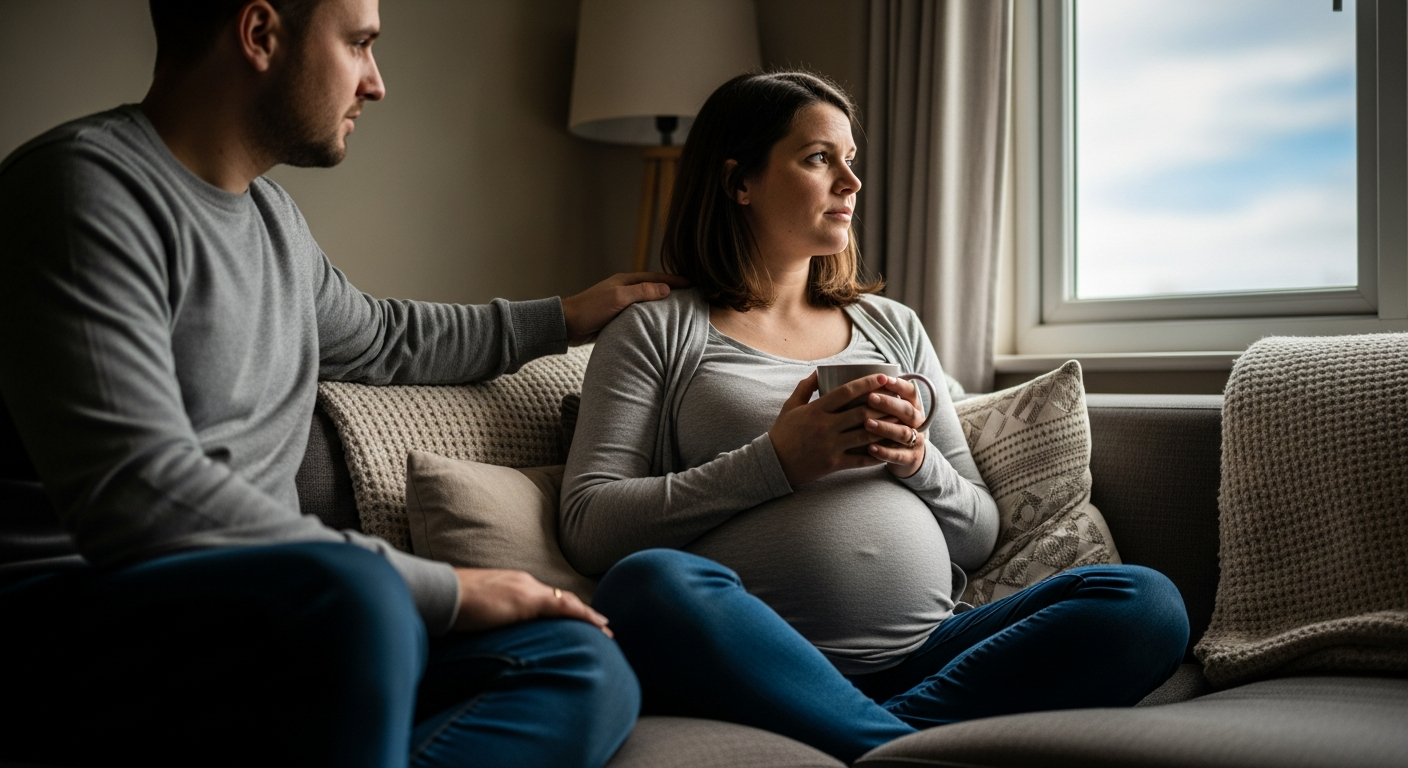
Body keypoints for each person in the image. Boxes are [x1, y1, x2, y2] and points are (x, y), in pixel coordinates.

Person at [0, 1, 687, 765]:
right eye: (360, 44)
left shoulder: (275, 222)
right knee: (363, 597)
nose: (377, 83)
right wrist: (448, 589)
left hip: (281, 619)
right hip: (89, 626)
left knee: (580, 662)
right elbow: (138, 493)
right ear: (260, 35)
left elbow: (387, 336)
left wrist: (563, 317)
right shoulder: (78, 193)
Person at [561, 71, 1191, 764]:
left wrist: (917, 462)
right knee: (647, 587)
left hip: (931, 652)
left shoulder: (891, 326)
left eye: (850, 160)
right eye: (818, 158)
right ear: (739, 181)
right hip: (761, 652)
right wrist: (776, 463)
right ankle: (897, 740)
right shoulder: (655, 331)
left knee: (1145, 602)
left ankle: (876, 736)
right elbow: (591, 527)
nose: (852, 183)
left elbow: (979, 534)